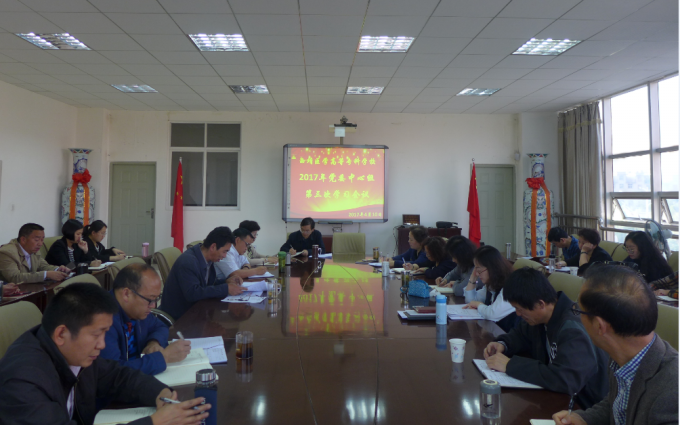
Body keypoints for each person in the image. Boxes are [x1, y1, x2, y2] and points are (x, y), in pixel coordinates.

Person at [0, 283, 211, 425]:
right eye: (96, 334)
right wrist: (154, 422)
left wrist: (161, 393)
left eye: (105, 333)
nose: (102, 344)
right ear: (61, 334)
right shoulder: (22, 382)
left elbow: (119, 376)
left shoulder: (75, 353)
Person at [552, 265, 678, 425]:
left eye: (578, 311)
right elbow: (618, 404)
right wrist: (584, 418)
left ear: (599, 326)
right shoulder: (624, 355)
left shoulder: (672, 393)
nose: (577, 317)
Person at [483, 268, 608, 409]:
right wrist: (503, 344)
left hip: (586, 407)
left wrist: (509, 365)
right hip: (558, 399)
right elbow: (520, 335)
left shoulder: (573, 330)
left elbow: (565, 379)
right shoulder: (540, 318)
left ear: (541, 304)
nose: (517, 314)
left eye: (520, 309)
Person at [101, 263, 191, 375]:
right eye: (150, 299)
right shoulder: (103, 321)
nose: (153, 306)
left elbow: (160, 326)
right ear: (126, 294)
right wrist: (164, 357)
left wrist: (153, 342)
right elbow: (113, 373)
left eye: (156, 299)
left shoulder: (137, 311)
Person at [160, 226, 245, 321]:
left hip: (196, 310)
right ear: (213, 247)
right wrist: (226, 288)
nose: (225, 256)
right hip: (182, 317)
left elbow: (205, 284)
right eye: (224, 251)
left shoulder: (206, 258)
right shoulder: (188, 262)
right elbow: (193, 293)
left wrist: (226, 281)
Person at [463, 245, 518, 332]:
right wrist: (473, 278)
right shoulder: (492, 284)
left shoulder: (511, 284)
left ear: (492, 268)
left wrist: (478, 305)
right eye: (475, 269)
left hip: (510, 335)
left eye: (479, 270)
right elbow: (470, 301)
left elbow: (493, 314)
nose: (477, 274)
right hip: (497, 332)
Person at [0, 223, 71, 283]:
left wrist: (57, 269)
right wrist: (46, 275)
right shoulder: (7, 253)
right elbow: (15, 278)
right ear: (23, 239)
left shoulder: (33, 249)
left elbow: (43, 266)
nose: (40, 244)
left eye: (42, 240)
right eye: (37, 240)